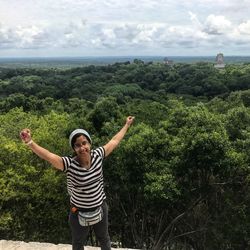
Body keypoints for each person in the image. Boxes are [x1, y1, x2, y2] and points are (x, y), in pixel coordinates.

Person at [20, 116, 135, 250]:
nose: (82, 148)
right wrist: (30, 142)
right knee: (78, 243)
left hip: (100, 208)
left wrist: (126, 125)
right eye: (77, 145)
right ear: (74, 148)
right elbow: (49, 156)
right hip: (78, 212)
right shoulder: (69, 164)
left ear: (90, 143)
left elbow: (114, 141)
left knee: (104, 239)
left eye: (84, 143)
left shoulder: (98, 155)